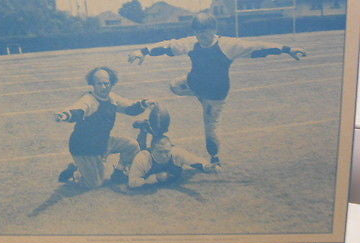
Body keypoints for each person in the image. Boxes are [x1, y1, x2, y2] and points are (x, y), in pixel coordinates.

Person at [128, 13, 306, 166]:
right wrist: (143, 51)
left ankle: (215, 158)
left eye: (205, 30)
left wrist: (287, 49)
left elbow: (257, 47)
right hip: (194, 84)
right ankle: (199, 97)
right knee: (174, 85)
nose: (201, 35)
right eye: (197, 31)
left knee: (211, 130)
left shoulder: (228, 45)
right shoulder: (192, 42)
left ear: (213, 29)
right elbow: (168, 46)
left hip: (215, 94)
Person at [55, 66, 155, 189]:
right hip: (84, 147)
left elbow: (130, 108)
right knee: (94, 184)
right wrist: (66, 115)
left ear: (111, 83)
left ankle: (119, 171)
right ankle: (75, 171)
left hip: (103, 142)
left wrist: (144, 103)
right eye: (99, 84)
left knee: (132, 145)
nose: (103, 87)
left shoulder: (112, 98)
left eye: (106, 83)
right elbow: (78, 110)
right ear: (93, 84)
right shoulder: (89, 100)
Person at [128, 135, 218, 189]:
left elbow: (195, 160)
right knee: (139, 147)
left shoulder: (176, 152)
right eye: (159, 152)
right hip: (138, 163)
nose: (163, 155)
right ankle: (143, 131)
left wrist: (207, 167)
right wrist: (155, 178)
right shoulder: (143, 158)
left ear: (171, 148)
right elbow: (132, 183)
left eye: (166, 151)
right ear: (152, 150)